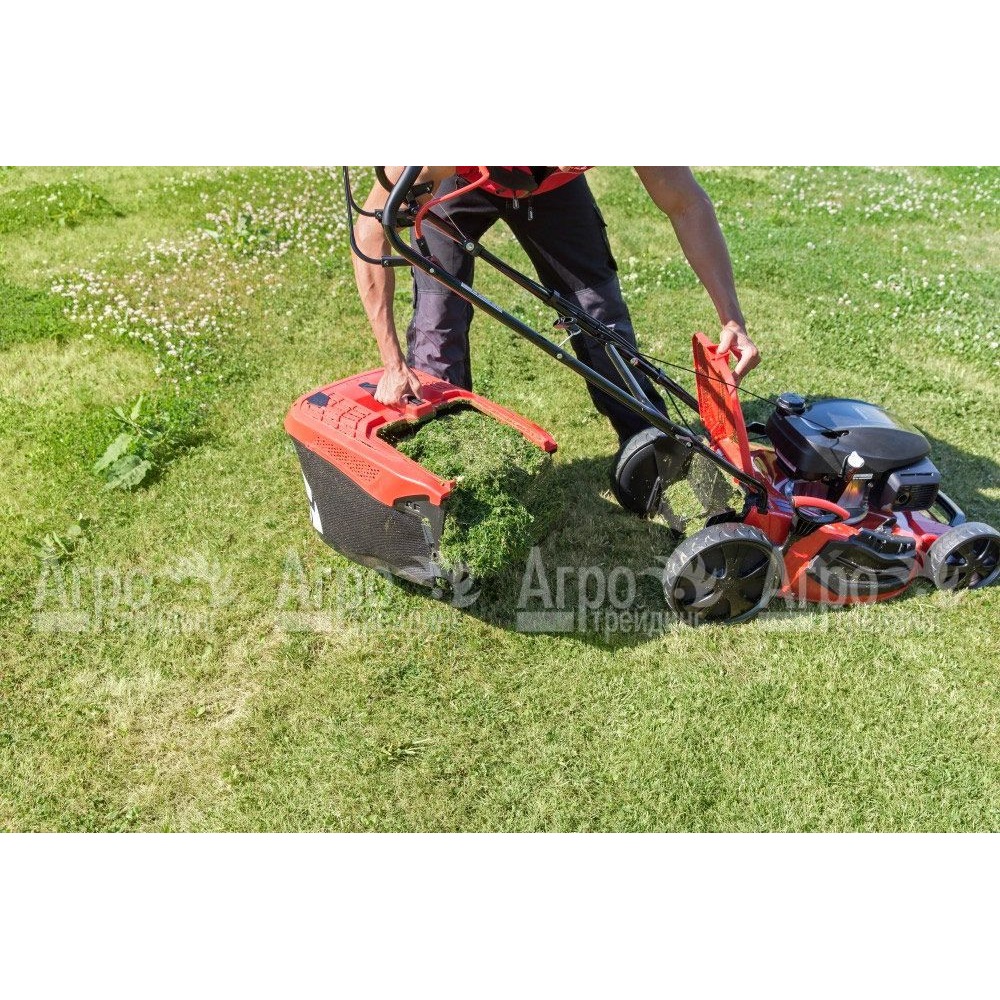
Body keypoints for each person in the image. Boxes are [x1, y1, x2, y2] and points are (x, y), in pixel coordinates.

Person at [351, 166, 758, 447]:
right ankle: (446, 453)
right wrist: (393, 364)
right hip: (459, 180)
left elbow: (687, 205)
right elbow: (370, 231)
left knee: (599, 314)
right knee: (438, 323)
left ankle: (648, 444)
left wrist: (732, 319)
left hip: (552, 190)